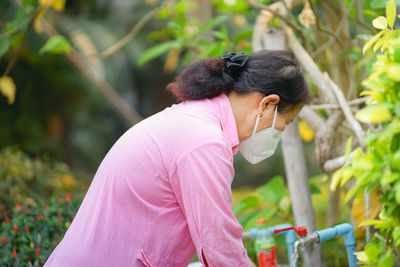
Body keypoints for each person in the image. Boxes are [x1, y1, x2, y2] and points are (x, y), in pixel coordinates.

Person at [44, 50, 312, 267]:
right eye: (284, 123)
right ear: (267, 104)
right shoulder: (203, 141)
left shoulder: (191, 120)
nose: (279, 134)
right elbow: (219, 249)